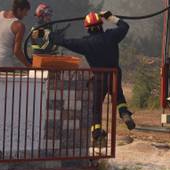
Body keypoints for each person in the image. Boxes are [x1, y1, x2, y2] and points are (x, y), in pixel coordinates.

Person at [51, 10, 136, 141]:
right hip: (114, 74)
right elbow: (125, 26)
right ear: (101, 25)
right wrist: (110, 17)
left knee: (96, 106)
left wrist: (51, 36)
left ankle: (96, 132)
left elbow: (67, 42)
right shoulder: (111, 36)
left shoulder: (85, 43)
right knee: (118, 97)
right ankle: (124, 113)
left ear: (87, 28)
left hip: (99, 77)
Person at [0, 0, 31, 68]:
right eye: (25, 11)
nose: (26, 14)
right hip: (3, 62)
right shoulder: (19, 26)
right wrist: (29, 65)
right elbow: (17, 52)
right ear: (19, 10)